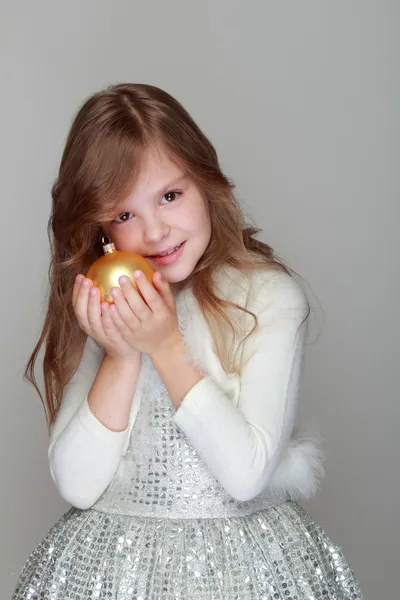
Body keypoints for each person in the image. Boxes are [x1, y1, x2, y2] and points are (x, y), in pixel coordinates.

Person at [13, 83, 363, 600]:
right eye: (125, 214)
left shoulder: (268, 297)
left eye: (171, 196)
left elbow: (245, 476)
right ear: (103, 231)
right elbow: (77, 485)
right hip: (117, 576)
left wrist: (166, 345)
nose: (155, 233)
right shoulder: (114, 303)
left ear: (206, 184)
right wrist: (122, 352)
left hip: (240, 572)